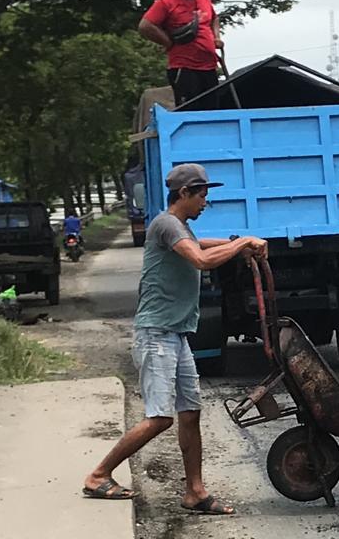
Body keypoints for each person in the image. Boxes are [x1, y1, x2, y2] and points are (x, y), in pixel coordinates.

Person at [83, 163, 266, 514]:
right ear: (183, 194)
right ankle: (99, 474)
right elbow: (199, 258)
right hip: (156, 335)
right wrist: (242, 242)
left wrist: (238, 245)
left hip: (175, 335)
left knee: (190, 413)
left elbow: (202, 243)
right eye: (202, 196)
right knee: (160, 418)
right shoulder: (166, 223)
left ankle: (195, 492)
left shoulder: (180, 227)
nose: (205, 203)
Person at [139, 0, 222, 108]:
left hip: (209, 66)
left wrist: (217, 37)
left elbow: (214, 18)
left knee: (211, 112)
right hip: (184, 68)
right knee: (190, 111)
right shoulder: (166, 2)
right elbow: (145, 26)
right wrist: (167, 42)